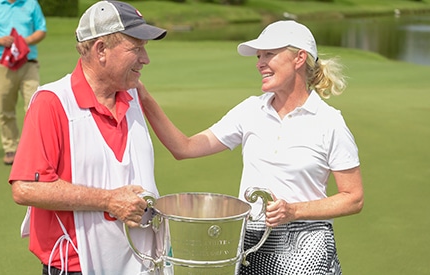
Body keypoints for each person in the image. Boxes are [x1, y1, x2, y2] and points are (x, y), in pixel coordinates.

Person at [137, 20, 364, 274]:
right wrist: (143, 97)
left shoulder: (329, 122)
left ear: (299, 58)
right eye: (258, 56)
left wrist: (294, 210)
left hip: (308, 245)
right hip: (252, 242)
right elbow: (185, 147)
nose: (260, 63)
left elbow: (353, 198)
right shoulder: (250, 110)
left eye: (269, 54)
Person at [8, 1, 167, 274]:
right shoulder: (52, 102)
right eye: (136, 48)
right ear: (101, 50)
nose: (145, 59)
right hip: (76, 265)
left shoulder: (134, 95)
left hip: (142, 264)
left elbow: (182, 146)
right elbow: (24, 188)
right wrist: (108, 200)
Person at [0, 0, 47, 165]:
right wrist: (0, 41)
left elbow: (41, 30)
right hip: (3, 65)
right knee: (5, 109)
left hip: (28, 63)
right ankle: (10, 148)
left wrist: (25, 41)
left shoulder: (31, 4)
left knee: (34, 107)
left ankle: (35, 149)